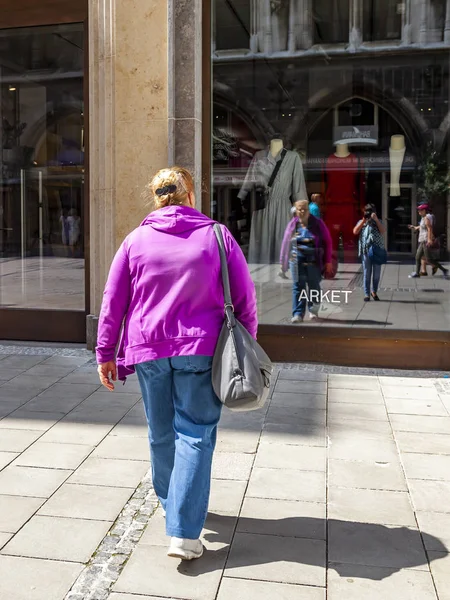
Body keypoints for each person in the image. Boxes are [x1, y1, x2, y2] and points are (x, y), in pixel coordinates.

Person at [96, 166, 257, 561]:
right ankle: (184, 531)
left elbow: (112, 302)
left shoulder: (135, 241)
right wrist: (247, 345)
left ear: (156, 198)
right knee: (196, 433)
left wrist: (105, 354)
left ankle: (175, 511)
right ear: (189, 196)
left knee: (162, 433)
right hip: (201, 351)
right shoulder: (217, 236)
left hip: (149, 349)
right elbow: (245, 299)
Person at [280, 199, 333, 323]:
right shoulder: (293, 224)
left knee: (314, 285)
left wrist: (328, 261)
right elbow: (285, 243)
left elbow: (328, 242)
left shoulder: (318, 224)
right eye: (300, 209)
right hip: (296, 261)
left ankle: (313, 311)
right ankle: (298, 314)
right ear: (296, 211)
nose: (302, 211)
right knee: (298, 286)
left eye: (305, 209)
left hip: (314, 259)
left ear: (309, 211)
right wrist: (283, 262)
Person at [353, 203, 385, 302]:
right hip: (365, 251)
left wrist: (375, 220)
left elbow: (383, 231)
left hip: (376, 251)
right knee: (367, 273)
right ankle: (367, 293)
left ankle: (374, 291)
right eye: (366, 212)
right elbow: (355, 231)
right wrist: (363, 221)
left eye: (370, 212)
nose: (368, 214)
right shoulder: (361, 222)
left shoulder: (378, 221)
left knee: (376, 274)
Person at [408, 203, 448, 278]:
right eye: (418, 210)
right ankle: (417, 273)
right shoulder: (424, 218)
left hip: (425, 240)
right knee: (418, 256)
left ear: (424, 210)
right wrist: (414, 227)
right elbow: (422, 227)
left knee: (429, 259)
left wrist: (429, 239)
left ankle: (444, 270)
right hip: (423, 240)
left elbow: (429, 229)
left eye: (420, 210)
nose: (418, 211)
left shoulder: (427, 218)